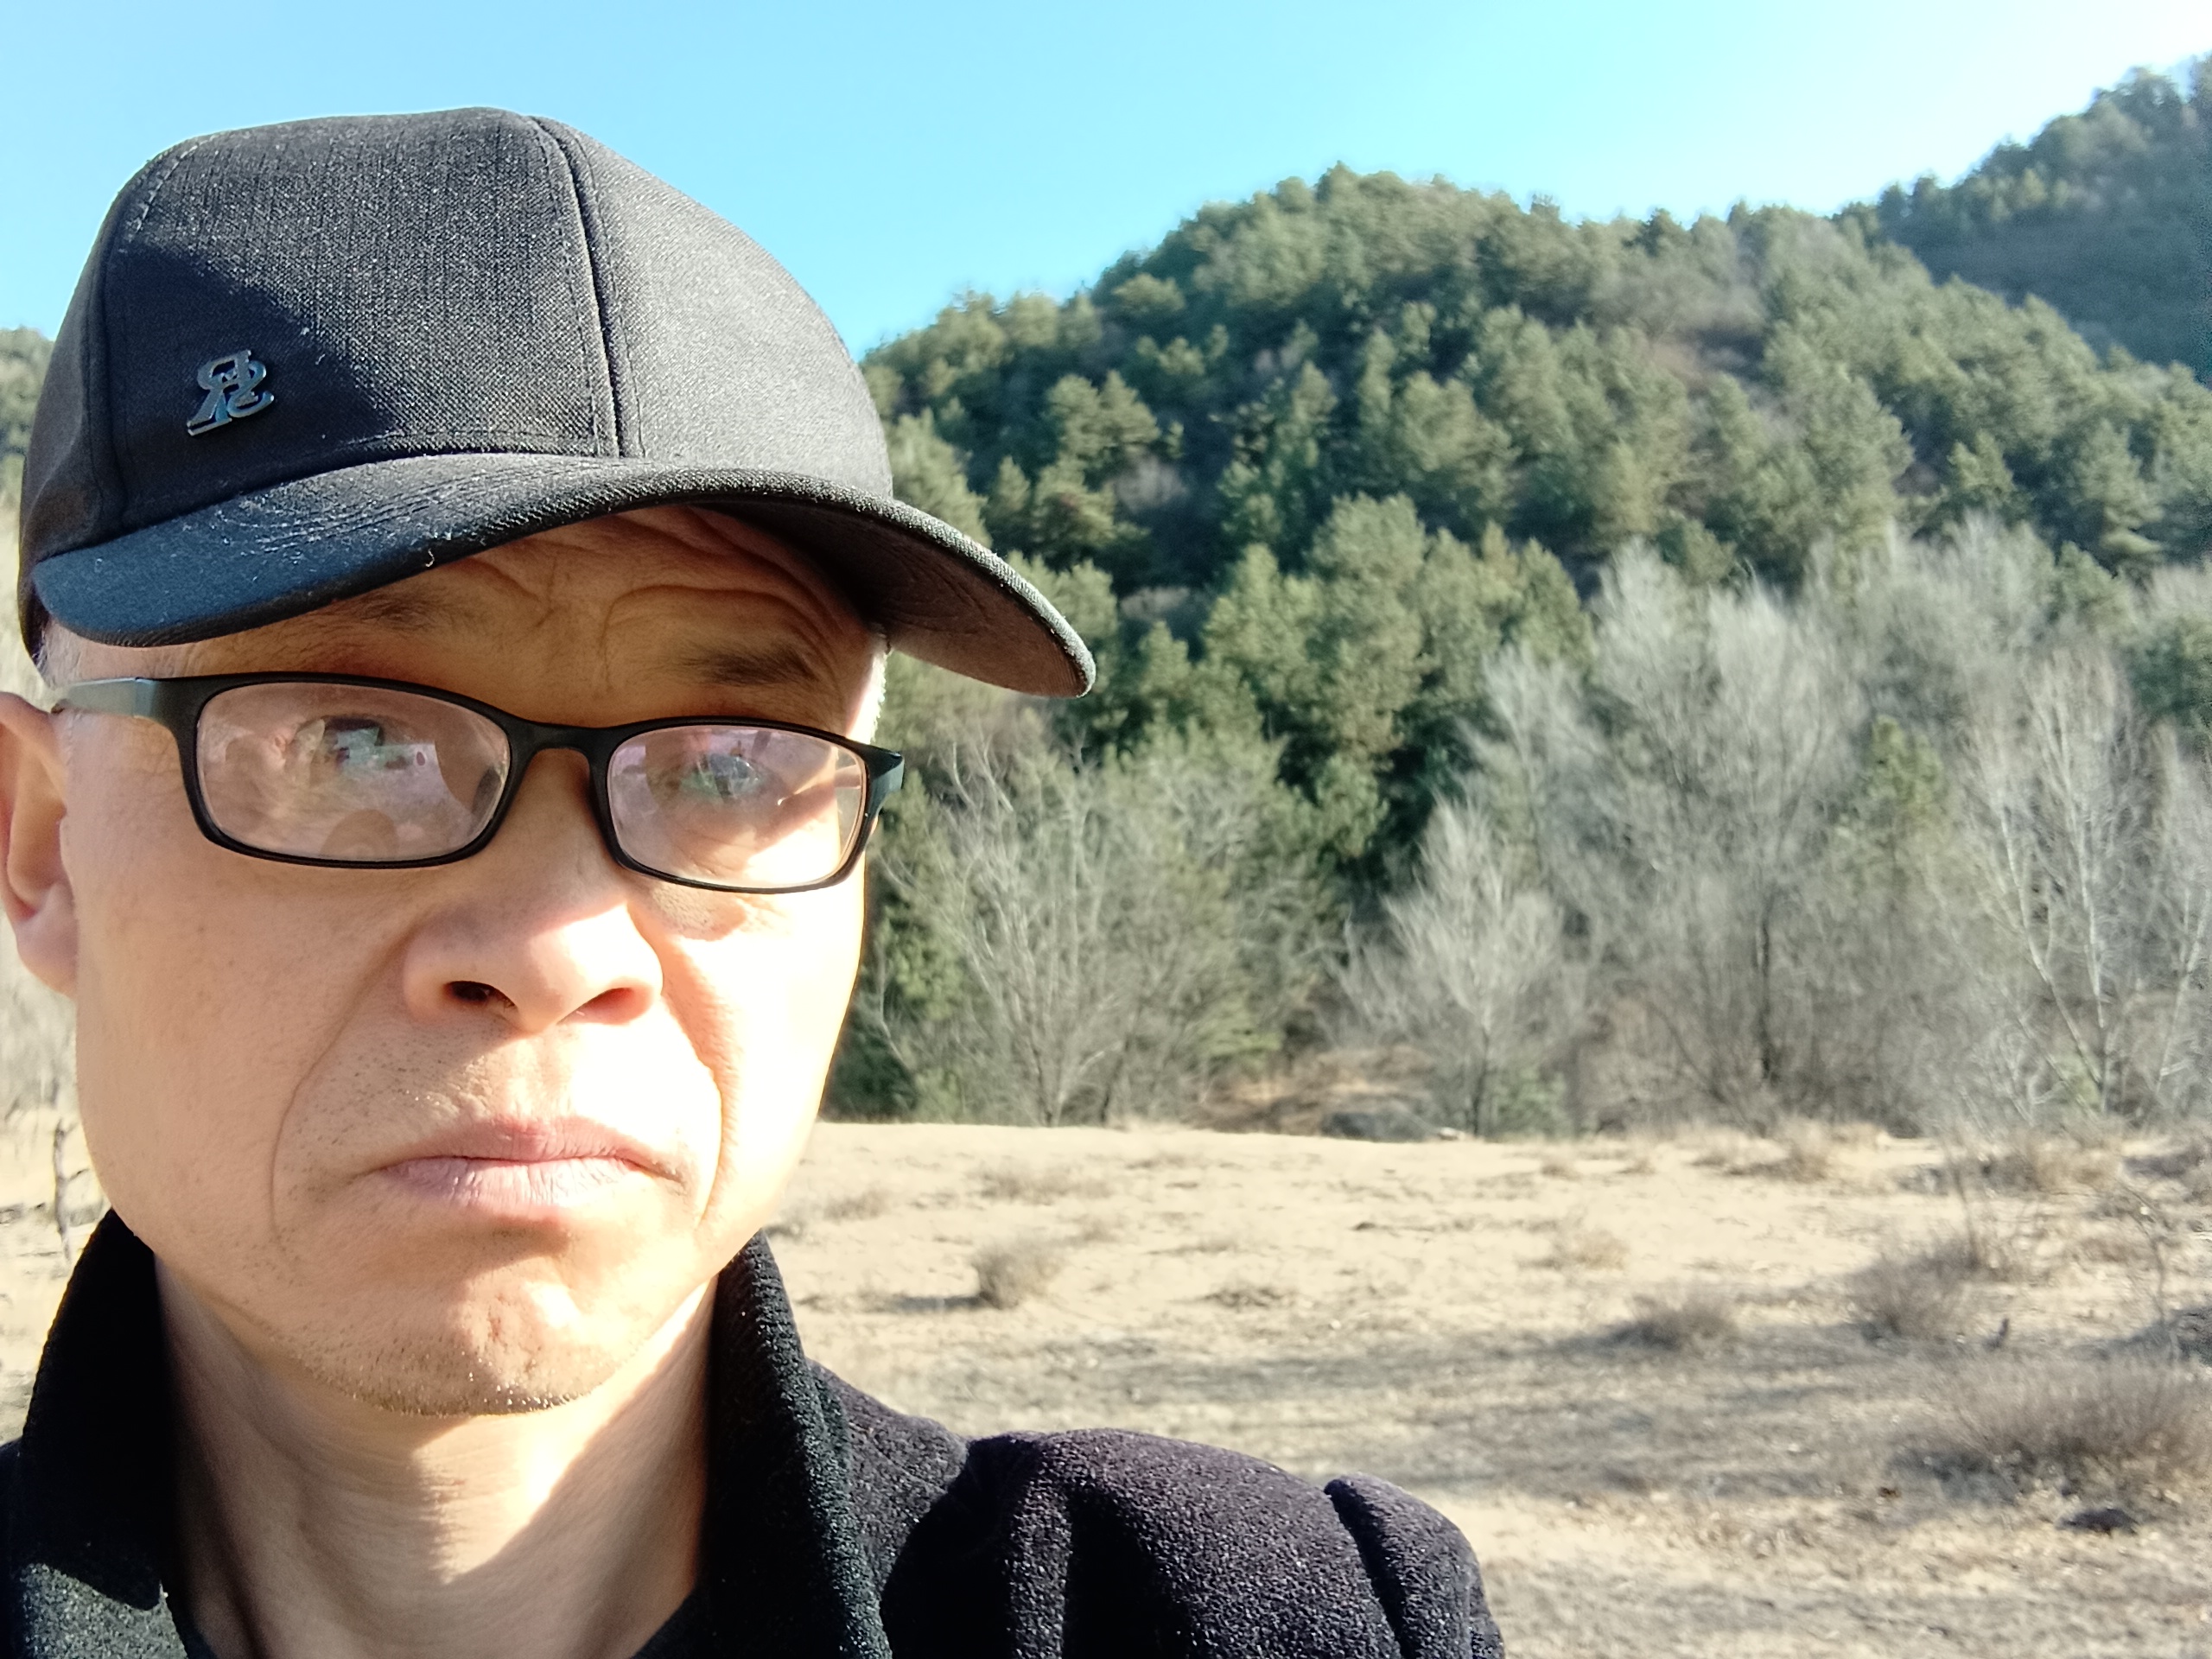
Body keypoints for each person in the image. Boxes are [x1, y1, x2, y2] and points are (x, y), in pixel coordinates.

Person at [0, 109, 1503, 1659]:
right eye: (355, 742)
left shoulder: (1233, 1621)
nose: (560, 944)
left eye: (729, 766)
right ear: (43, 845)